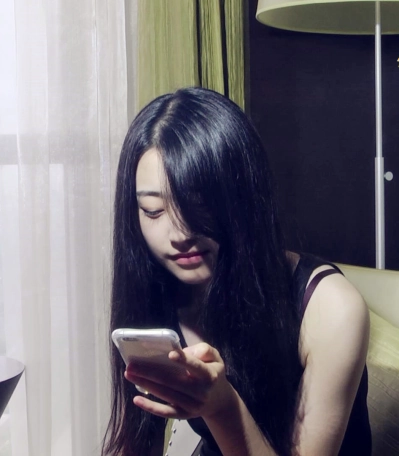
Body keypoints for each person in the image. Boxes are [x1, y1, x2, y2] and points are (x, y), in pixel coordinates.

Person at [103, 87, 371, 456]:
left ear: (243, 199)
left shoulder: (331, 307)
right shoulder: (158, 284)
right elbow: (139, 436)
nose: (179, 235)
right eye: (153, 210)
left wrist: (222, 407)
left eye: (197, 206)